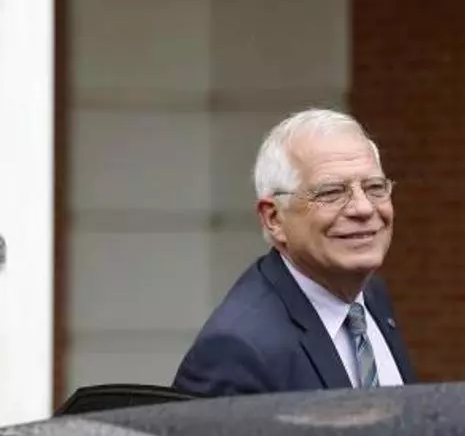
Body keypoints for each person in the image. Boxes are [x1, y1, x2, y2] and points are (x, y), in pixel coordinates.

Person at [172, 108, 417, 397]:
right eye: (331, 193)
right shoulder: (236, 351)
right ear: (274, 219)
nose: (363, 208)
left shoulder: (369, 295)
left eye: (374, 187)